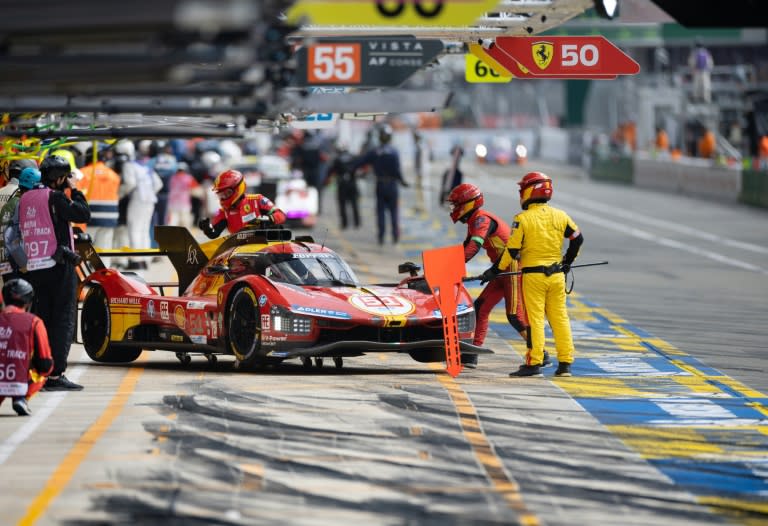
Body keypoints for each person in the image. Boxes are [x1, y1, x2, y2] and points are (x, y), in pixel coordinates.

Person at [482, 172, 583, 378]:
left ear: (529, 191)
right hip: (556, 276)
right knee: (560, 318)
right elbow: (577, 239)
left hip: (533, 277)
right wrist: (567, 263)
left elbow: (511, 250)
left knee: (536, 320)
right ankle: (565, 364)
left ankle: (534, 363)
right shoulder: (561, 216)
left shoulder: (522, 219)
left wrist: (495, 271)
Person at [6, 155, 90, 390]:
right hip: (58, 267)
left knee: (41, 319)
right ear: (61, 177)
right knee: (62, 320)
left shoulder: (25, 199)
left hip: (34, 269)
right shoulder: (55, 198)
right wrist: (75, 190)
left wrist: (24, 262)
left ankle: (39, 370)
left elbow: (12, 237)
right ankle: (55, 375)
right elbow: (83, 214)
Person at [447, 183, 549, 369]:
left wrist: (450, 268)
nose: (453, 209)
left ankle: (541, 353)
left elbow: (473, 248)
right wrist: (447, 265)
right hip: (501, 269)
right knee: (480, 308)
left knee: (514, 316)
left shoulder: (481, 220)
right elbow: (465, 248)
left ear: (467, 204)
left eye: (456, 205)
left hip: (511, 267)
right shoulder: (474, 221)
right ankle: (471, 354)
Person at [0, 278, 53, 416]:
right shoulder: (34, 322)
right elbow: (45, 363)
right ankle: (21, 399)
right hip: (18, 382)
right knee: (46, 369)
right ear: (28, 301)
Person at [350, 124, 409, 245]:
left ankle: (381, 237)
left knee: (381, 212)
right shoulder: (394, 151)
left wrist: (352, 171)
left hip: (380, 184)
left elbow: (360, 162)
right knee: (394, 212)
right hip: (392, 185)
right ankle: (395, 236)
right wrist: (402, 181)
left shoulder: (375, 152)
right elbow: (397, 170)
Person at [198, 169, 286, 238]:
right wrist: (207, 228)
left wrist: (268, 219)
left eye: (226, 193)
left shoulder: (257, 200)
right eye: (221, 194)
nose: (223, 197)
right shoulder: (223, 212)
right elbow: (214, 233)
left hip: (263, 246)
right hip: (241, 251)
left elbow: (281, 215)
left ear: (238, 188)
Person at [1, 167, 41, 281]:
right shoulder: (20, 204)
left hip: (12, 262)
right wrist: (25, 265)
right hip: (19, 264)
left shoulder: (16, 202)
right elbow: (11, 239)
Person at [77, 146, 121, 251]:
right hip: (109, 217)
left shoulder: (81, 173)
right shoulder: (113, 175)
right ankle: (105, 268)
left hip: (89, 217)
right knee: (104, 250)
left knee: (85, 250)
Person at [326, 143, 360, 230]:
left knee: (342, 205)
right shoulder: (353, 157)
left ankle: (344, 223)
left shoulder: (337, 159)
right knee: (354, 204)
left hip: (342, 184)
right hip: (352, 183)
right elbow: (358, 167)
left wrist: (327, 180)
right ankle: (357, 222)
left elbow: (331, 171)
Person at [166, 162, 200, 229]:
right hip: (183, 203)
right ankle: (184, 237)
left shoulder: (171, 178)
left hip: (173, 203)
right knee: (184, 222)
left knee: (173, 222)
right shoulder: (189, 178)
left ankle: (171, 236)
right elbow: (196, 190)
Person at [688, 39, 714, 103]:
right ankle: (702, 99)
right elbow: (710, 63)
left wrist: (692, 69)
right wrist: (709, 69)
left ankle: (701, 99)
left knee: (702, 86)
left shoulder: (702, 52)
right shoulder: (703, 52)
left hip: (701, 71)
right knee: (702, 86)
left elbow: (691, 62)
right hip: (701, 71)